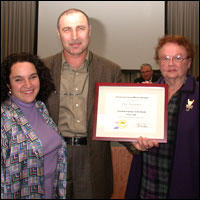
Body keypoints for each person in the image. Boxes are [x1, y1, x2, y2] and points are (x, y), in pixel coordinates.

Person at [43, 9, 122, 199]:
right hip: (52, 156)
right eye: (67, 30)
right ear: (58, 33)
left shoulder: (111, 70)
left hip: (92, 158)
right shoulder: (42, 69)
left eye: (80, 28)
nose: (75, 36)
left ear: (90, 30)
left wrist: (139, 141)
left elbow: (120, 118)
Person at [125, 35, 199, 199]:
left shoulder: (197, 95)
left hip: (184, 186)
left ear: (189, 62)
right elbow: (127, 131)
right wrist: (134, 141)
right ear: (159, 63)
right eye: (165, 58)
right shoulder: (147, 93)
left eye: (178, 58)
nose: (171, 63)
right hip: (147, 184)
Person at [1, 52, 67, 199]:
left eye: (32, 77)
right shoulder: (4, 118)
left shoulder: (41, 108)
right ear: (8, 84)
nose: (28, 85)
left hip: (51, 190)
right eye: (19, 79)